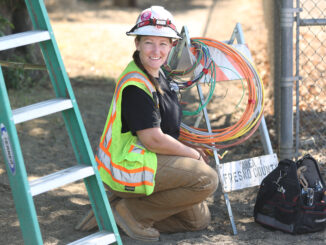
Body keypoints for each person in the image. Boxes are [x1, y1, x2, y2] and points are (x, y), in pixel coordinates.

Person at [96, 6, 218, 242]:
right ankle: (131, 213)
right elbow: (152, 139)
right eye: (149, 42)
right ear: (137, 44)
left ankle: (119, 213)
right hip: (124, 166)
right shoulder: (136, 85)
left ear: (173, 46)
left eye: (163, 44)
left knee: (197, 221)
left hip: (146, 158)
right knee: (206, 179)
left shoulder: (159, 74)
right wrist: (191, 154)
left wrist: (190, 150)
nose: (156, 50)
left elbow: (167, 129)